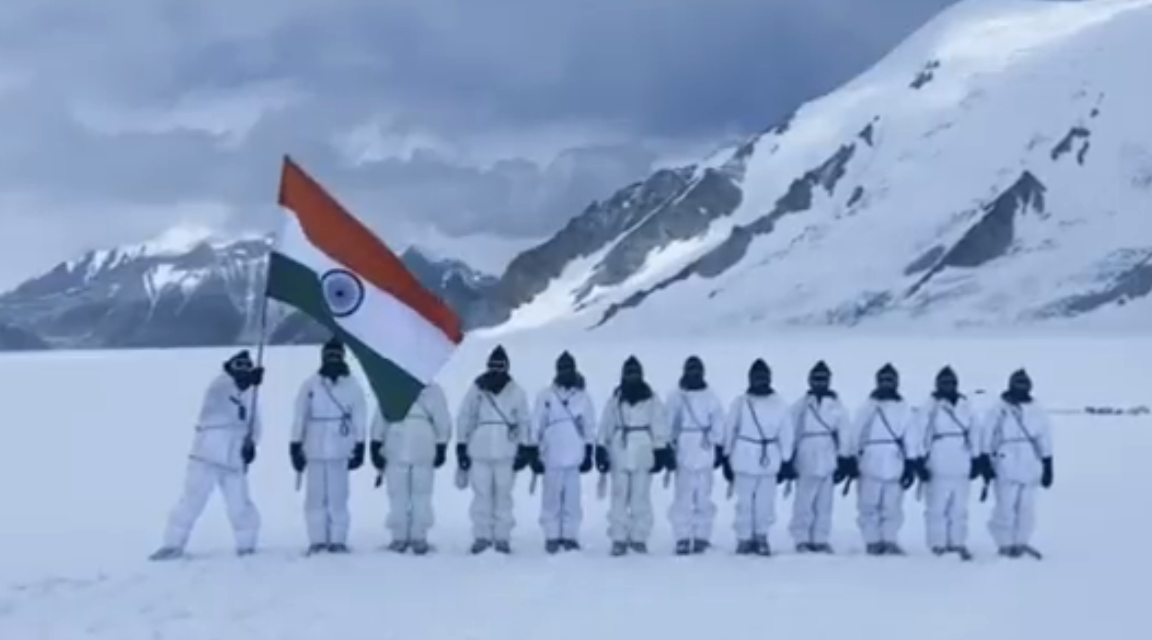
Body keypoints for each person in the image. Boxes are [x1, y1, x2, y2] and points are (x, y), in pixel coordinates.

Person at [149, 350, 264, 560]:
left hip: (234, 458)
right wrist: (248, 380)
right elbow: (234, 388)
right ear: (230, 366)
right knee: (191, 502)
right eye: (238, 366)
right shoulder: (219, 385)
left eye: (246, 366)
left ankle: (247, 546)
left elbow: (255, 424)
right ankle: (172, 544)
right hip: (206, 456)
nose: (243, 370)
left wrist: (252, 445)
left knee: (241, 505)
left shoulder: (251, 394)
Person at [289, 338, 368, 554]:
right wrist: (295, 444)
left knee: (338, 498)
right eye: (329, 355)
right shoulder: (310, 385)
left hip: (340, 449)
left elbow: (360, 418)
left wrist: (360, 445)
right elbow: (300, 417)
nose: (333, 360)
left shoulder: (353, 387)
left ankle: (338, 540)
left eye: (337, 356)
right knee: (315, 498)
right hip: (313, 449)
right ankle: (317, 540)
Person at [456, 345, 531, 554]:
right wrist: (461, 445)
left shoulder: (516, 391)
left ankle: (502, 537)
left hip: (506, 452)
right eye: (493, 366)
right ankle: (482, 536)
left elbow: (524, 420)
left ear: (507, 367)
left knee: (503, 497)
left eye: (500, 366)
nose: (496, 370)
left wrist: (525, 448)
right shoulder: (477, 390)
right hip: (479, 450)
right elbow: (465, 417)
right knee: (481, 496)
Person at [597, 355, 672, 556]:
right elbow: (606, 426)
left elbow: (659, 424)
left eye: (635, 373)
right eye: (629, 373)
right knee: (619, 496)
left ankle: (639, 536)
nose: (632, 377)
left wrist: (661, 449)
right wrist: (601, 448)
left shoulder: (652, 399)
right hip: (620, 449)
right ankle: (618, 537)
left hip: (642, 450)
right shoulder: (615, 401)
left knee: (640, 497)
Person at [846, 363, 923, 556]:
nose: (887, 384)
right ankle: (872, 541)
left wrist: (912, 462)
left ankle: (889, 540)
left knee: (892, 506)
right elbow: (856, 433)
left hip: (894, 461)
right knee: (868, 505)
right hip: (870, 461)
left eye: (890, 380)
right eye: (883, 380)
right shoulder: (868, 407)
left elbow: (911, 435)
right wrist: (850, 458)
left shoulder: (903, 407)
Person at [370, 380, 452, 555]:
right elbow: (442, 420)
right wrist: (441, 445)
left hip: (396, 442)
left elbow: (381, 418)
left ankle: (399, 537)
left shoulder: (391, 386)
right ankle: (419, 538)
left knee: (397, 495)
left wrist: (376, 444)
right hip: (423, 443)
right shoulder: (433, 390)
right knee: (421, 495)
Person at [722, 359, 794, 556]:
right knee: (744, 502)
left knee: (765, 503)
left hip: (769, 459)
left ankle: (761, 536)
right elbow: (731, 429)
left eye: (763, 378)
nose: (760, 381)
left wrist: (787, 459)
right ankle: (744, 537)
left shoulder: (779, 404)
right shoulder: (740, 403)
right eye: (756, 378)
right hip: (744, 457)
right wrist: (726, 454)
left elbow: (786, 432)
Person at [979, 369, 1054, 559]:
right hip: (1006, 461)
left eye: (1024, 383)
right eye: (1018, 383)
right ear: (1011, 384)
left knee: (1026, 508)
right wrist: (985, 460)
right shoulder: (999, 408)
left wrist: (1048, 463)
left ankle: (1021, 542)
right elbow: (988, 434)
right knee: (1005, 506)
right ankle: (1005, 544)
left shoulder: (1037, 409)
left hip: (1030, 462)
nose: (1021, 387)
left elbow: (1044, 437)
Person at [530, 351, 597, 553]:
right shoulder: (546, 395)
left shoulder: (583, 397)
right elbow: (536, 423)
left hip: (574, 456)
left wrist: (589, 449)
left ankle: (570, 536)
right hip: (551, 456)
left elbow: (589, 425)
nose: (565, 372)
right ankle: (551, 535)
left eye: (569, 368)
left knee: (572, 501)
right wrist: (533, 449)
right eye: (562, 369)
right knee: (551, 500)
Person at [915, 366, 978, 560]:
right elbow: (919, 434)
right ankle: (937, 544)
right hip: (937, 462)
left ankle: (957, 542)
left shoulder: (965, 405)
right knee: (936, 508)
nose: (948, 386)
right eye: (944, 383)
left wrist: (977, 457)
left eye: (951, 383)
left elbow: (974, 431)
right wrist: (919, 461)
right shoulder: (929, 407)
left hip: (961, 462)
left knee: (959, 508)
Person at [665, 355, 725, 555]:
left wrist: (717, 444)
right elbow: (669, 424)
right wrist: (669, 448)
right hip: (684, 452)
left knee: (704, 498)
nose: (694, 374)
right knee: (683, 498)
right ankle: (682, 537)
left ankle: (701, 536)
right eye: (691, 370)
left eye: (697, 371)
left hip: (705, 450)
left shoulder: (711, 397)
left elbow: (718, 423)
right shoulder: (676, 397)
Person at [787, 360, 849, 554]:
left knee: (825, 502)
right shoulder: (801, 405)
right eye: (816, 379)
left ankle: (820, 538)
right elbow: (791, 431)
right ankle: (802, 538)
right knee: (804, 502)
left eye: (823, 379)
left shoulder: (837, 405)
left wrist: (845, 458)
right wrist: (788, 458)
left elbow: (844, 433)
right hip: (806, 456)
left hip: (828, 457)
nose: (820, 383)